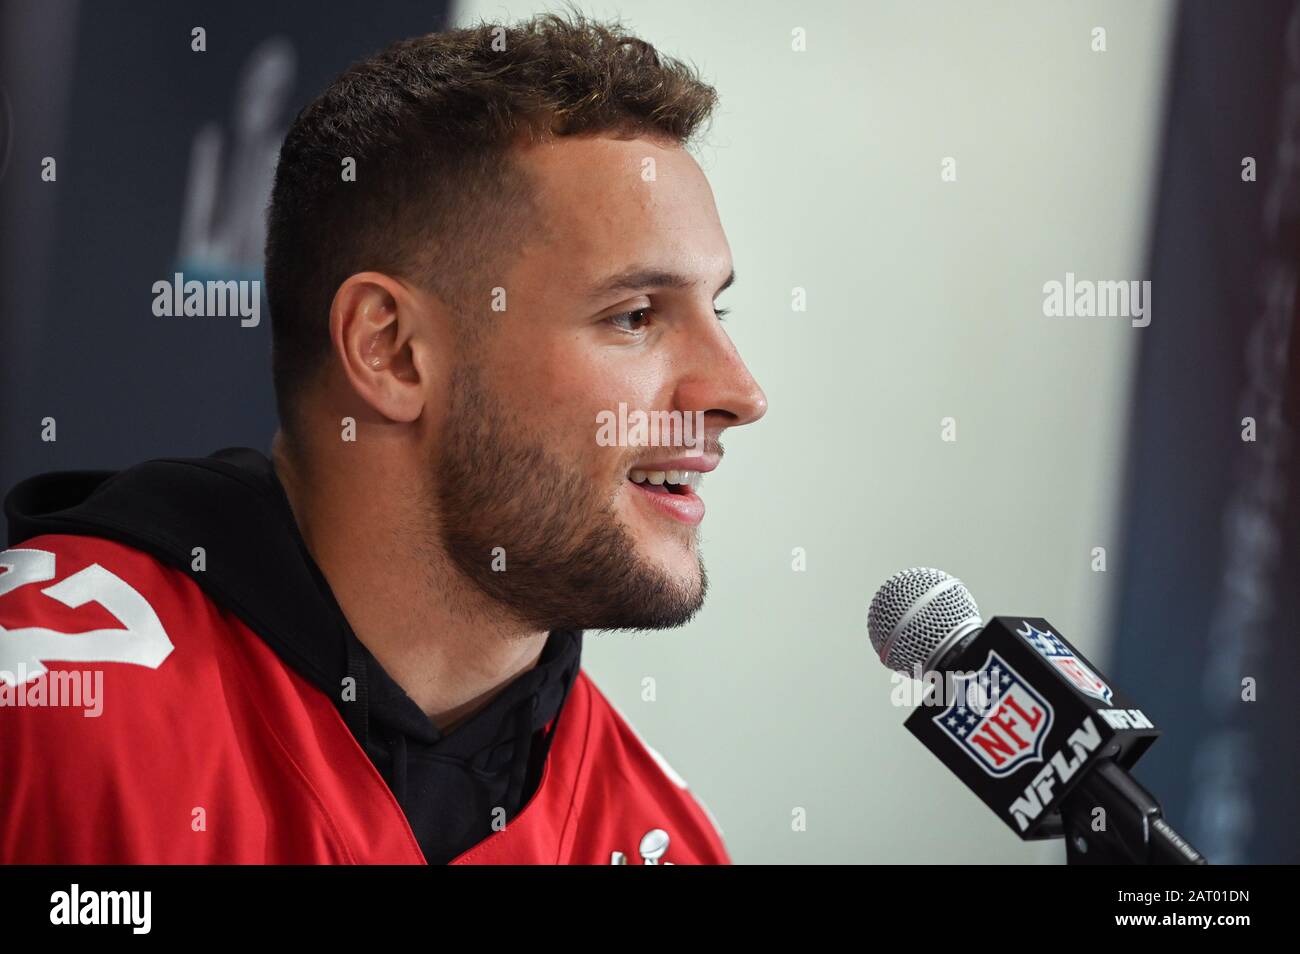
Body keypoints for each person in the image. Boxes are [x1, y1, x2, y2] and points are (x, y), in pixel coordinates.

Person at [0, 11, 766, 865]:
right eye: (634, 316)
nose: (738, 393)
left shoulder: (663, 837)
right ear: (392, 351)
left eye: (718, 309)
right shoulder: (46, 725)